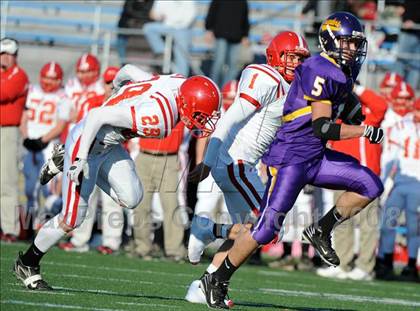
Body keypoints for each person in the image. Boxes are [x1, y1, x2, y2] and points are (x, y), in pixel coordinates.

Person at [199, 12, 385, 309]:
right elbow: (322, 126)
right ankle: (217, 278)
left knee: (370, 184)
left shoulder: (343, 72)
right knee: (266, 229)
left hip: (315, 156)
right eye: (348, 42)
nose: (352, 49)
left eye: (355, 43)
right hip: (291, 159)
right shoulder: (319, 69)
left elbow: (343, 105)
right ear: (331, 40)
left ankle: (321, 229)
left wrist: (352, 110)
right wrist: (363, 129)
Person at [13, 65, 222, 291]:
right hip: (86, 143)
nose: (204, 121)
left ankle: (66, 161)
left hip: (110, 146)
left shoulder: (178, 82)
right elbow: (96, 115)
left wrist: (117, 89)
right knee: (72, 219)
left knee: (132, 198)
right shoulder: (160, 118)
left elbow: (129, 69)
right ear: (187, 103)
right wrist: (81, 158)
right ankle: (28, 263)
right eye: (201, 115)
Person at [186, 31, 310, 305]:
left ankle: (205, 283)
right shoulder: (266, 78)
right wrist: (207, 162)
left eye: (300, 58)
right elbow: (229, 118)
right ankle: (207, 230)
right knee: (267, 227)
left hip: (244, 164)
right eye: (291, 57)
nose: (295, 63)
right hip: (236, 163)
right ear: (276, 55)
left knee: (249, 231)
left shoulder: (292, 85)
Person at [316, 81, 388, 281]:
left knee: (368, 224)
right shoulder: (338, 118)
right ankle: (342, 263)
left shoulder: (369, 115)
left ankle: (365, 267)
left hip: (367, 178)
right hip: (343, 175)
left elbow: (381, 105)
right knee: (339, 222)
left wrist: (356, 88)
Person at [57, 66, 126, 255]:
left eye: (116, 83)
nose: (112, 87)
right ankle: (79, 239)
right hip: (90, 154)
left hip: (114, 156)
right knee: (85, 196)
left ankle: (111, 242)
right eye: (108, 83)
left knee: (112, 200)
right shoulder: (91, 102)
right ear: (102, 84)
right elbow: (80, 129)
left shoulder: (125, 104)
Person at [376, 82, 419, 282]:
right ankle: (385, 262)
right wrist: (384, 184)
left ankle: (411, 266)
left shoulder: (402, 125)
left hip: (417, 184)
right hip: (399, 183)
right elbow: (390, 159)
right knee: (387, 223)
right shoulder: (400, 126)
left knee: (413, 227)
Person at [20, 62, 70, 230]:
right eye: (46, 77)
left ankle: (50, 227)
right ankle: (28, 226)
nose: (48, 81)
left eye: (52, 78)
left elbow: (61, 125)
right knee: (29, 189)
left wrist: (43, 140)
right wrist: (26, 137)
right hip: (30, 144)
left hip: (49, 146)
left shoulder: (63, 96)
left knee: (48, 190)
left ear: (59, 80)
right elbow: (24, 116)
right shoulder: (32, 90)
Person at [132, 121, 186, 261]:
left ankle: (174, 250)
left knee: (171, 205)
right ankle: (142, 247)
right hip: (144, 156)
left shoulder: (180, 104)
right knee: (140, 204)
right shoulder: (151, 101)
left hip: (168, 158)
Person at [0, 37, 29, 242]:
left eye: (9, 54)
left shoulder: (19, 76)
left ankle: (10, 229)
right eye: (2, 53)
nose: (5, 57)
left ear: (16, 56)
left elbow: (4, 93)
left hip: (7, 131)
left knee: (6, 181)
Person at [142, 1, 196, 77]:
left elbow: (191, 15)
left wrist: (179, 25)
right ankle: (162, 52)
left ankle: (182, 78)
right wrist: (158, 16)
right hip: (166, 26)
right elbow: (154, 14)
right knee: (148, 28)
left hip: (182, 28)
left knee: (181, 56)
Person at [205, 0, 250, 87]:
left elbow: (245, 17)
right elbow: (212, 11)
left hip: (236, 37)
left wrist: (245, 35)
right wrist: (209, 28)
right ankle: (213, 87)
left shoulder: (243, 2)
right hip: (221, 34)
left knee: (233, 66)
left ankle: (225, 89)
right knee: (219, 62)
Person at [65, 53, 104, 125]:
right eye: (81, 72)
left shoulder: (102, 85)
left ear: (96, 71)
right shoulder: (72, 84)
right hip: (72, 125)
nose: (84, 75)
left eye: (88, 71)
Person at [117, 0, 155, 65]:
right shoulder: (129, 2)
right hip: (126, 30)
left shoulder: (151, 2)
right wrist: (146, 14)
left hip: (142, 32)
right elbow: (129, 11)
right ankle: (124, 65)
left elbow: (150, 14)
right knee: (121, 43)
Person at [395, 1, 420, 89]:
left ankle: (403, 91)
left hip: (411, 30)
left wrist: (413, 20)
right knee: (411, 64)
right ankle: (402, 91)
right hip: (409, 30)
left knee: (406, 63)